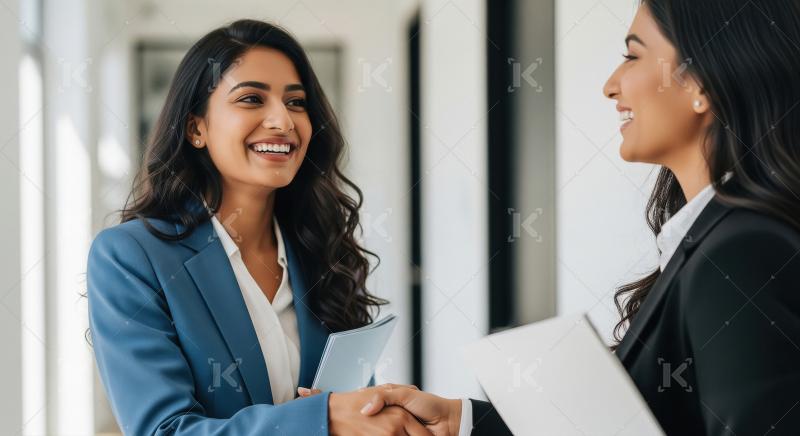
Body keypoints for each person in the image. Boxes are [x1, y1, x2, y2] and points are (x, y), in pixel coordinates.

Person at [307, 0, 800, 434]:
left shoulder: (742, 250)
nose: (611, 85)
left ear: (702, 84)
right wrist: (460, 422)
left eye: (632, 55)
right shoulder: (712, 238)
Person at [87, 19, 429, 435]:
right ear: (197, 128)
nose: (282, 121)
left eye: (297, 102)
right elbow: (166, 430)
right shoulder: (131, 257)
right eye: (251, 98)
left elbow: (354, 409)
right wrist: (325, 418)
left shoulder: (321, 248)